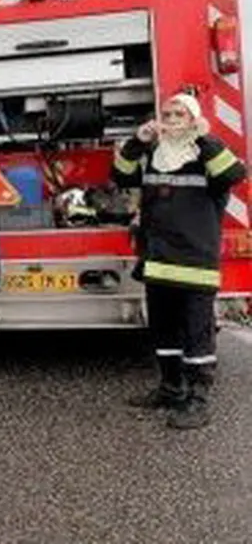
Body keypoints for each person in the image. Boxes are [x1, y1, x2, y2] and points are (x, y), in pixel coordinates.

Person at [112, 91, 247, 429]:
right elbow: (122, 176)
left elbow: (234, 175)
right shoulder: (155, 155)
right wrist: (137, 143)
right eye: (167, 115)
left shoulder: (206, 155)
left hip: (194, 265)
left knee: (197, 335)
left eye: (179, 115)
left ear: (193, 119)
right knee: (164, 331)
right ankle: (171, 389)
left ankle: (198, 401)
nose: (171, 121)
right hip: (158, 261)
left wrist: (202, 138)